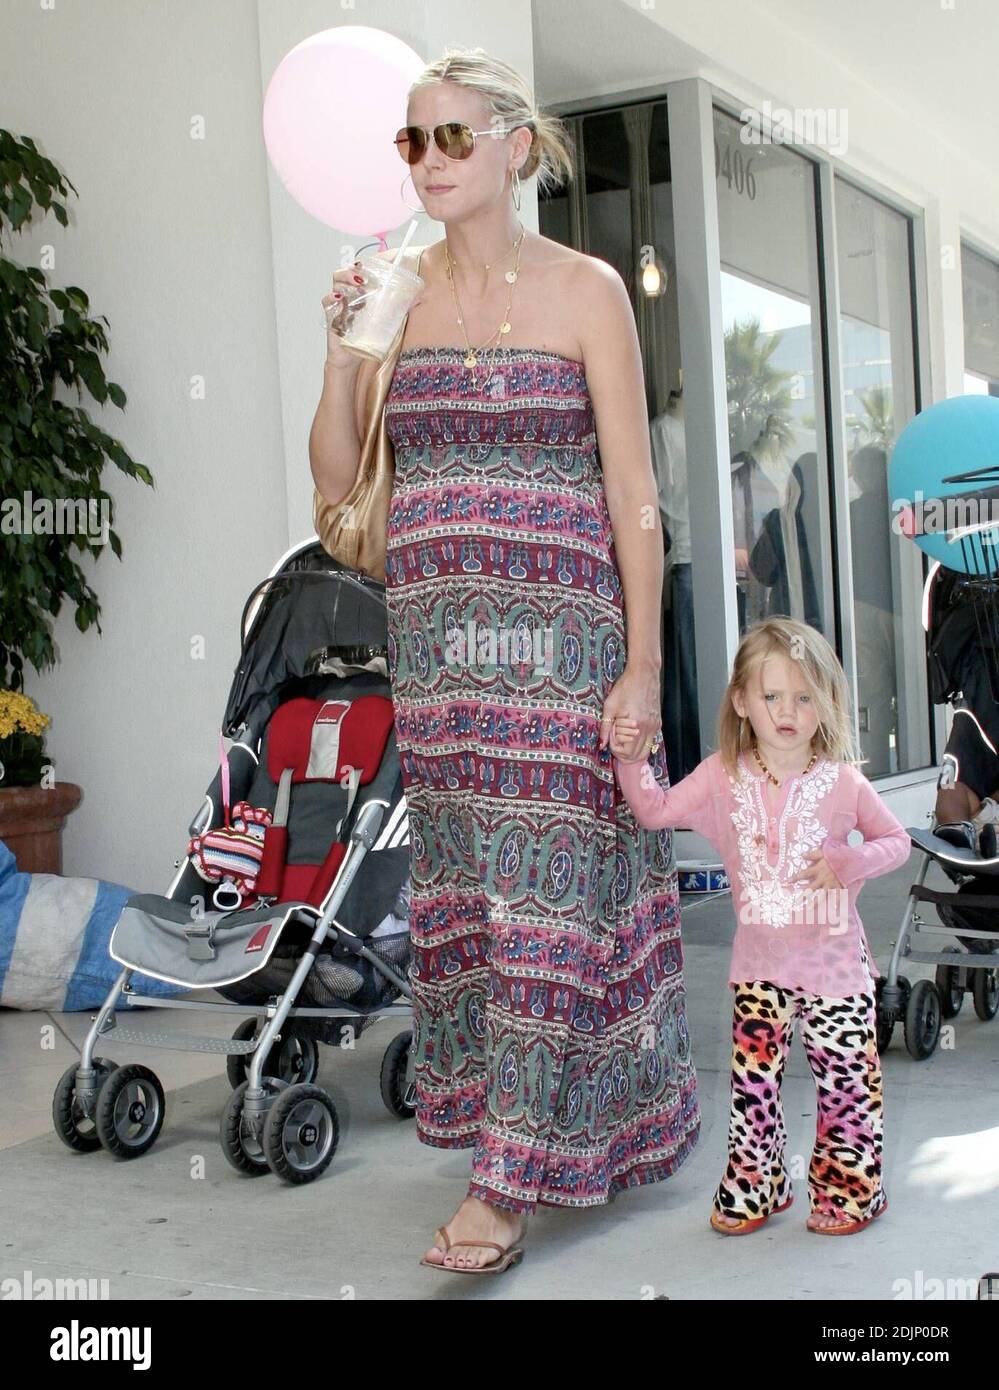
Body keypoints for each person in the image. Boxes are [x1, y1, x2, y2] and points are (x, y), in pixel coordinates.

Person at [310, 46, 699, 1274]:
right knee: (485, 905)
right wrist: (343, 353)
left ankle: (505, 1183)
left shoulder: (588, 291)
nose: (428, 160)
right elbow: (333, 489)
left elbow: (636, 497)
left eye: (452, 137)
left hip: (562, 651)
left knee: (551, 901)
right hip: (438, 655)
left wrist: (641, 670)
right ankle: (556, 1139)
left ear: (515, 148)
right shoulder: (393, 290)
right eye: (411, 142)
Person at [611, 617, 910, 1236]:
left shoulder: (843, 782)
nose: (787, 712)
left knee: (846, 1084)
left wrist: (850, 859)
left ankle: (854, 1189)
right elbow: (654, 809)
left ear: (826, 701)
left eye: (804, 697)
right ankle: (758, 1184)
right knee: (754, 1091)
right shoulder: (722, 775)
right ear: (743, 702)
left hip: (835, 971)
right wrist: (630, 755)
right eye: (771, 696)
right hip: (758, 970)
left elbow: (897, 841)